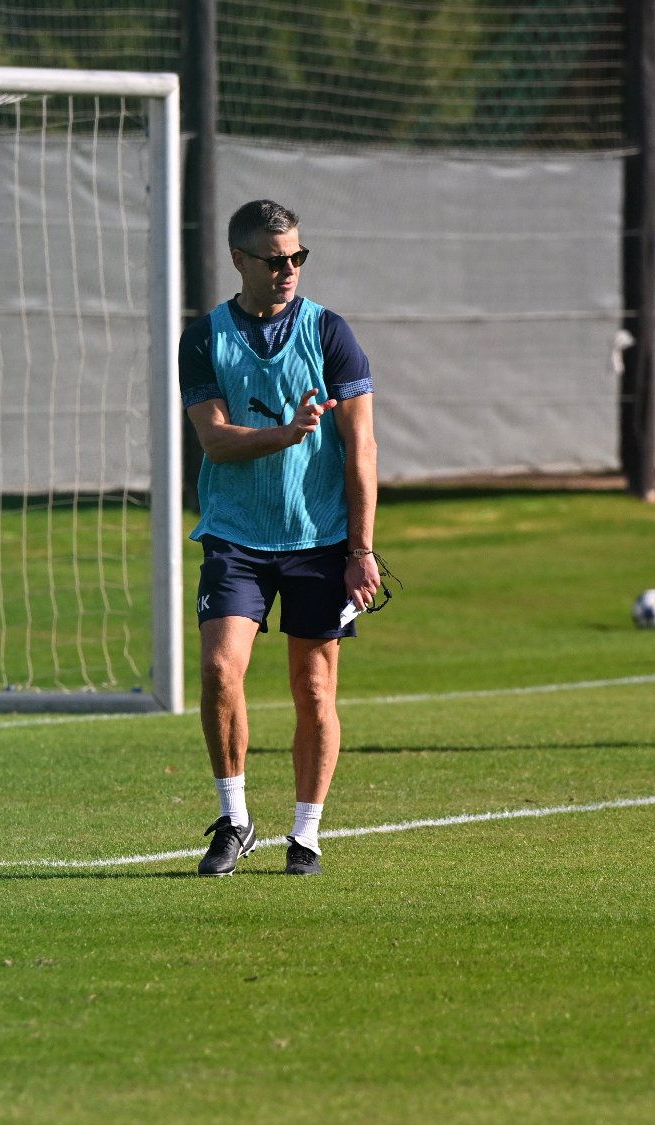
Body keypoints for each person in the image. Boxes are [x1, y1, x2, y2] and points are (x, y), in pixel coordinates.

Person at [180, 199, 380, 876]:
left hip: (319, 540)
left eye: (297, 255)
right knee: (216, 671)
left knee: (314, 689)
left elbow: (361, 451)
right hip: (237, 537)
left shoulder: (330, 332)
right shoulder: (205, 336)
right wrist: (286, 434)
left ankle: (307, 834)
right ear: (239, 259)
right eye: (273, 259)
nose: (288, 268)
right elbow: (215, 439)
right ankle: (235, 819)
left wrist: (361, 549)